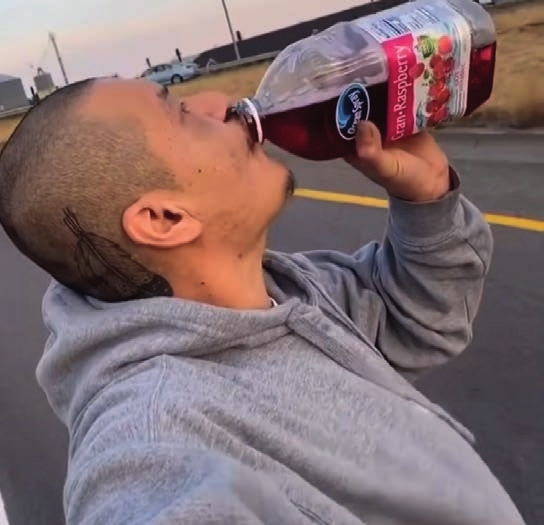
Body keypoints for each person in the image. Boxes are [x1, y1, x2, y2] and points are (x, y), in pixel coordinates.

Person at [0, 77, 525, 525]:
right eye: (181, 112)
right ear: (165, 219)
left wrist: (427, 200)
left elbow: (416, 319)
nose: (219, 99)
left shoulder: (286, 294)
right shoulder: (154, 430)